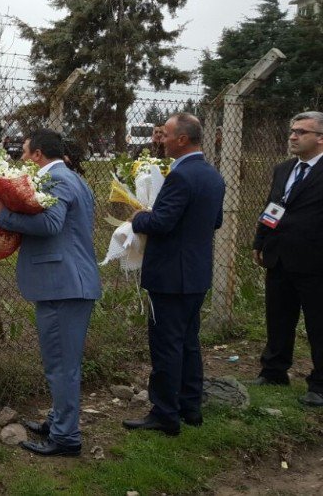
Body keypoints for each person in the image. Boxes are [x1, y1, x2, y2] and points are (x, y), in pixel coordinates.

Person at [0, 129, 101, 457]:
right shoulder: (74, 178)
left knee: (61, 364)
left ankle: (66, 438)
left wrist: (3, 214)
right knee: (61, 360)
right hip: (68, 282)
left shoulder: (56, 180)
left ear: (38, 154)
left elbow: (51, 225)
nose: (22, 159)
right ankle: (57, 421)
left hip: (64, 285)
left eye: (25, 152)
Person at [124, 113, 225, 436]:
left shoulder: (180, 177)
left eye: (165, 135)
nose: (159, 140)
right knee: (188, 343)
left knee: (166, 345)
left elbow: (161, 223)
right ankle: (190, 406)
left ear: (182, 139)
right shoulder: (212, 175)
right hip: (196, 272)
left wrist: (139, 217)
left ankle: (165, 413)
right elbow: (216, 221)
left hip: (171, 276)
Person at [251, 111, 323, 407]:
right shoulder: (284, 169)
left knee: (319, 324)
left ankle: (319, 385)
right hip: (279, 256)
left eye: (301, 132)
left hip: (316, 261)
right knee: (278, 317)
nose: (293, 136)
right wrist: (260, 239)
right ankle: (274, 371)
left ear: (320, 138)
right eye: (292, 131)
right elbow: (274, 206)